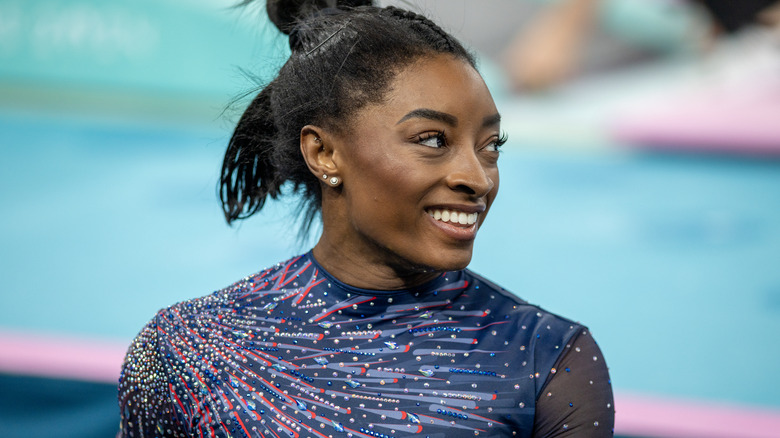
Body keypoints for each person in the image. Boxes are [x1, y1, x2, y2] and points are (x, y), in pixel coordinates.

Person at [117, 1, 614, 436]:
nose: (478, 179)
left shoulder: (547, 360)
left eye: (490, 147)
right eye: (433, 140)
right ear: (324, 152)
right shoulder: (189, 349)